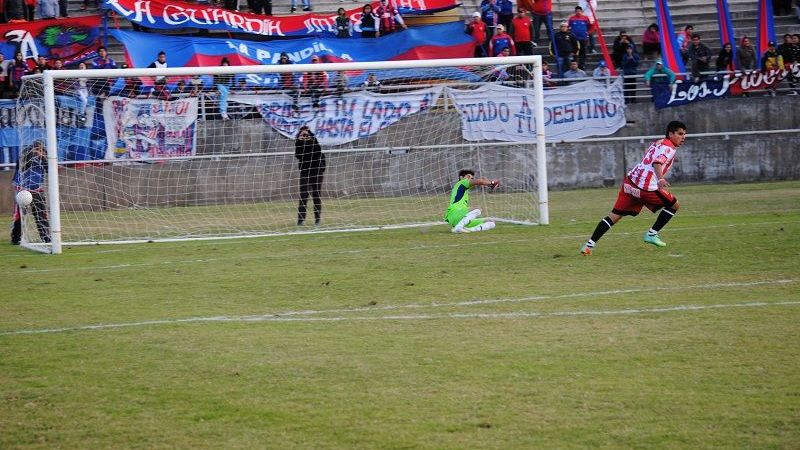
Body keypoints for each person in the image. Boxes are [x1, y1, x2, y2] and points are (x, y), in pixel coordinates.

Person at [580, 121, 687, 255]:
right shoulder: (669, 148)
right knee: (674, 205)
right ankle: (652, 234)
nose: (683, 137)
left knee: (614, 216)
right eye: (680, 134)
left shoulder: (658, 143)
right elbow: (657, 162)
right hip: (645, 187)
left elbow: (652, 155)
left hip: (630, 182)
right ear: (671, 134)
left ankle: (588, 246)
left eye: (684, 134)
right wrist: (660, 179)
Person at [11, 140, 50, 245]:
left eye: (41, 150)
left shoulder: (43, 159)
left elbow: (48, 169)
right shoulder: (24, 157)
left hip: (37, 189)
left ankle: (45, 237)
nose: (39, 152)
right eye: (36, 149)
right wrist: (32, 154)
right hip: (22, 190)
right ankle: (16, 237)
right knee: (20, 215)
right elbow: (23, 166)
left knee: (41, 214)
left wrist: (43, 157)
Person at [444, 169, 499, 233]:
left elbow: (480, 181)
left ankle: (468, 230)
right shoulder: (462, 183)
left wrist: (488, 184)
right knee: (477, 209)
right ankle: (459, 227)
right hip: (454, 212)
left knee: (491, 222)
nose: (470, 178)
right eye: (468, 176)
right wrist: (492, 183)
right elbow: (479, 181)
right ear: (461, 177)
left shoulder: (463, 189)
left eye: (472, 178)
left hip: (459, 219)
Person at [295, 126, 325, 226]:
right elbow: (298, 155)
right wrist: (300, 141)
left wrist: (311, 139)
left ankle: (317, 218)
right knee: (303, 195)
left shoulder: (314, 141)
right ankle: (301, 220)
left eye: (306, 133)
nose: (305, 136)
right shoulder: (298, 142)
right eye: (303, 134)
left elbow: (318, 152)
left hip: (316, 171)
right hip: (305, 171)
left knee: (316, 195)